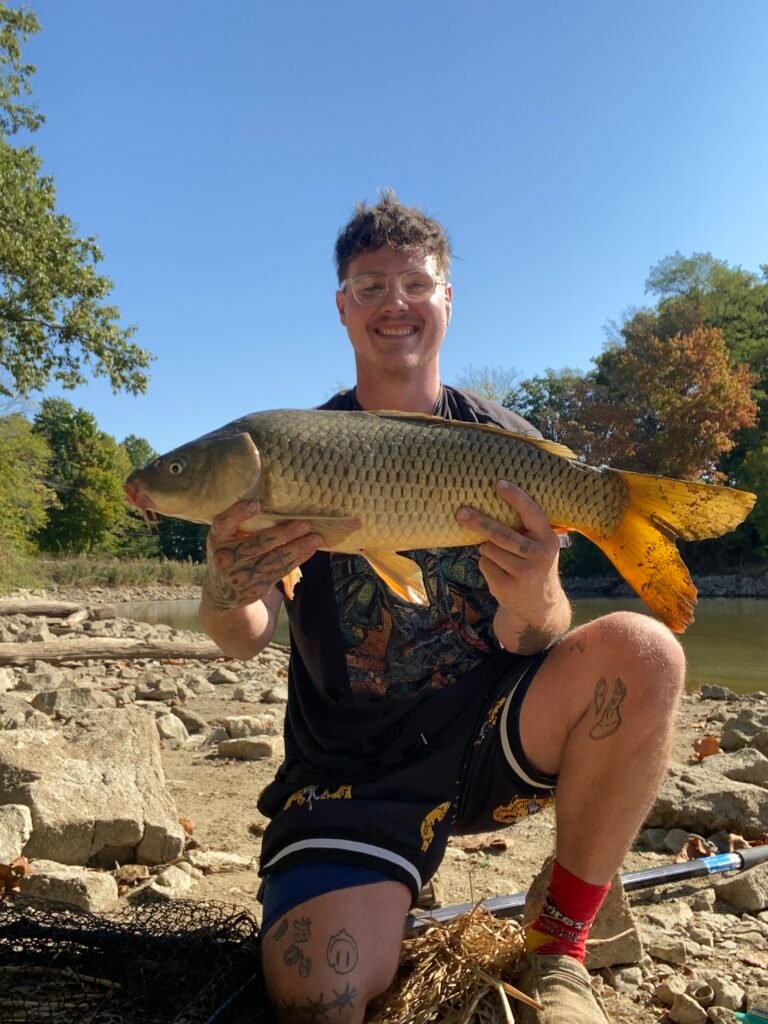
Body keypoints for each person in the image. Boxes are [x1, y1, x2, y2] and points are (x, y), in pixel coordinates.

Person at [199, 193, 686, 1024]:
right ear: (343, 307)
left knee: (645, 652)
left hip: (487, 746)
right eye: (370, 286)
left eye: (415, 284)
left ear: (447, 300)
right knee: (321, 996)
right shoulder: (290, 452)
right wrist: (223, 586)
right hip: (350, 774)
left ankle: (560, 944)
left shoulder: (508, 445)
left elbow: (536, 635)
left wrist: (537, 595)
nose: (395, 303)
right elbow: (245, 638)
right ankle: (373, 882)